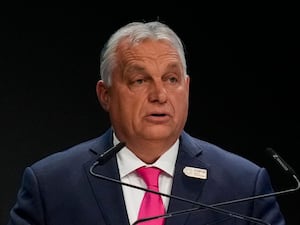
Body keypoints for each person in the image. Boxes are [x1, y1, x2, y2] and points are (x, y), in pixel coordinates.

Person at [7, 20, 286, 225]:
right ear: (105, 94)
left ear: (186, 88)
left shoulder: (243, 185)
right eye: (140, 80)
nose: (159, 95)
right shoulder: (50, 185)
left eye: (171, 79)